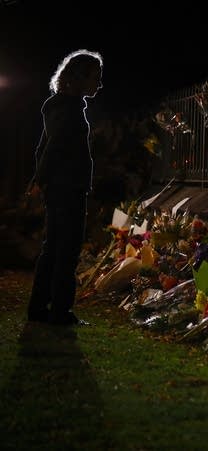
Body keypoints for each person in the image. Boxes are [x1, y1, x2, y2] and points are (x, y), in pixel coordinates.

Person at [27, 49, 103, 326]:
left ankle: (39, 308)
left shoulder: (60, 107)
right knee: (66, 249)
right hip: (67, 186)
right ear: (79, 78)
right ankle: (60, 310)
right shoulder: (68, 109)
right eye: (95, 78)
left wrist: (41, 178)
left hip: (60, 185)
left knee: (53, 247)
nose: (99, 84)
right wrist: (43, 179)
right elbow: (53, 147)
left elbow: (42, 148)